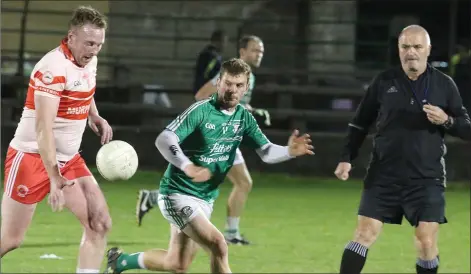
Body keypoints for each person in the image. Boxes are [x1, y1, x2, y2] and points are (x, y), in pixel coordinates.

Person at [105, 58, 314, 274]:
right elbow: (165, 139)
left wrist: (288, 151)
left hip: (205, 199)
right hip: (177, 194)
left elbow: (267, 152)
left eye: (238, 85)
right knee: (218, 244)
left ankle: (120, 262)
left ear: (246, 88)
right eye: (228, 83)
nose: (232, 90)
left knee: (177, 263)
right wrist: (186, 165)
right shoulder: (201, 111)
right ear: (218, 83)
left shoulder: (244, 118)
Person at [334, 25, 471, 274]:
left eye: (417, 47)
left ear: (428, 50)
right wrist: (346, 157)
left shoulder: (444, 85)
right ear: (398, 50)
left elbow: (466, 128)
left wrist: (446, 120)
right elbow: (359, 123)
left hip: (426, 177)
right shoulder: (384, 81)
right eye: (405, 46)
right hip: (384, 174)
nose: (411, 52)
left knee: (426, 242)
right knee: (364, 233)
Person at [1, 6, 113, 273]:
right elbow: (43, 129)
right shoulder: (51, 69)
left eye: (99, 44)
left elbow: (84, 85)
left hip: (68, 158)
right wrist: (54, 178)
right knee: (11, 239)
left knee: (99, 223)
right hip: (30, 158)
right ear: (71, 37)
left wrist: (93, 115)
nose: (95, 49)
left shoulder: (88, 59)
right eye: (89, 43)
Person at [136, 35, 268, 245]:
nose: (259, 54)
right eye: (255, 50)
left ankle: (153, 198)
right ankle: (231, 233)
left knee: (217, 181)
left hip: (226, 137)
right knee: (239, 182)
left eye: (261, 51)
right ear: (242, 51)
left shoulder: (248, 76)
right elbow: (201, 95)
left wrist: (249, 110)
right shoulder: (229, 74)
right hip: (213, 137)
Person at [192, 29, 228, 94]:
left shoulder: (211, 54)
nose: (225, 45)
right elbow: (207, 74)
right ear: (217, 41)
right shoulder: (211, 56)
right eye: (224, 42)